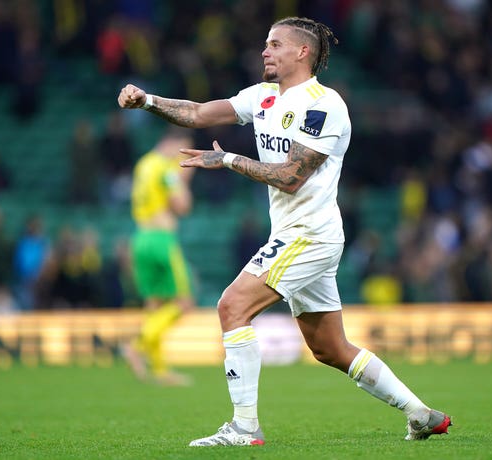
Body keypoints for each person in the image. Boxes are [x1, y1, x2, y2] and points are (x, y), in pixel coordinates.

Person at [118, 16, 451, 446]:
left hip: (309, 235)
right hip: (299, 234)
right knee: (330, 348)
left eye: (274, 45)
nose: (264, 51)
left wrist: (230, 161)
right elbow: (199, 113)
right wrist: (147, 101)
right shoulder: (261, 97)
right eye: (265, 44)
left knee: (232, 306)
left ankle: (244, 427)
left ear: (302, 52)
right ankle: (420, 413)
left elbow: (292, 176)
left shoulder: (323, 105)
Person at [121, 129, 197, 386]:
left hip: (140, 238)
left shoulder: (144, 163)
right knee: (184, 302)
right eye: (183, 151)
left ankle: (160, 369)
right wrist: (184, 177)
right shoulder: (166, 169)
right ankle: (136, 345)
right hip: (161, 241)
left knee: (154, 305)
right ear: (171, 144)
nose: (183, 158)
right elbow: (182, 206)